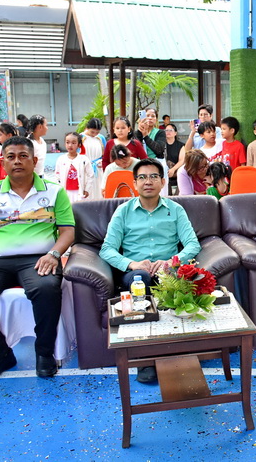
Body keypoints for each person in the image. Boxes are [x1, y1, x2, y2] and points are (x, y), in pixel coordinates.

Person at [0, 136, 75, 382]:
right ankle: (0, 355)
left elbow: (67, 231)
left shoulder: (55, 191)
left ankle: (44, 353)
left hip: (39, 259)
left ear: (34, 160)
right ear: (3, 162)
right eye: (11, 157)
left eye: (23, 156)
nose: (17, 161)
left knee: (46, 289)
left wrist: (54, 254)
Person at [100, 158, 201, 383]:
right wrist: (132, 264)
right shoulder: (123, 211)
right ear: (135, 183)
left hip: (168, 270)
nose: (148, 182)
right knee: (140, 279)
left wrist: (170, 261)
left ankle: (181, 351)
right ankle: (146, 359)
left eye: (154, 176)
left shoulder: (175, 210)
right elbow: (106, 249)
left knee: (180, 279)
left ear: (163, 182)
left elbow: (193, 245)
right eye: (142, 177)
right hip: (136, 272)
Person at [54, 132, 93, 203]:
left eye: (73, 143)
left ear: (79, 145)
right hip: (66, 191)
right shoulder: (61, 159)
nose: (70, 145)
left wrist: (87, 189)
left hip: (79, 191)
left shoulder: (84, 159)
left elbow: (90, 175)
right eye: (67, 142)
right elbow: (57, 176)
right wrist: (59, 190)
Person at [79, 117, 106, 200]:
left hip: (98, 167)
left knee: (98, 189)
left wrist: (103, 161)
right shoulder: (80, 137)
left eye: (97, 132)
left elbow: (105, 153)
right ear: (87, 128)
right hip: (84, 167)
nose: (94, 134)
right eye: (92, 132)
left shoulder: (100, 138)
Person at [162, 123, 185, 195]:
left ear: (175, 133)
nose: (168, 132)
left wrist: (173, 169)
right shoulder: (162, 145)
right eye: (166, 130)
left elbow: (182, 160)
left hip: (176, 174)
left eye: (170, 130)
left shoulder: (181, 145)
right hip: (164, 174)